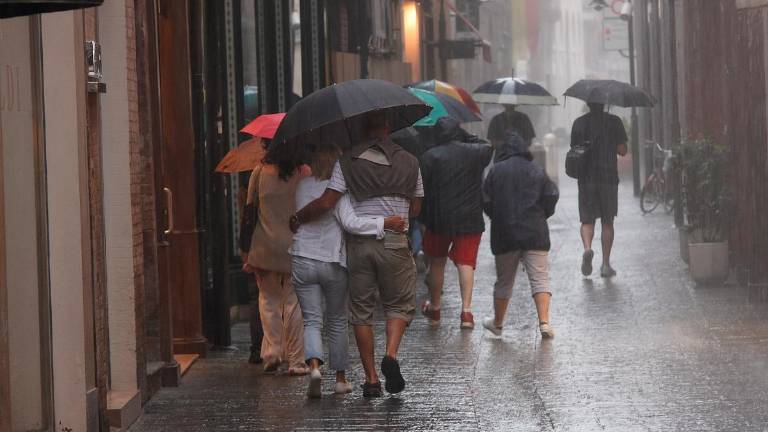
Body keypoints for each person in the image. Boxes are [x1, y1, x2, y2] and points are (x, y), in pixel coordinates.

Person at [290, 114, 423, 398]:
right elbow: (416, 208)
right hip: (394, 241)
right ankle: (390, 354)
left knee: (360, 313)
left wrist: (298, 218)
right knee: (398, 304)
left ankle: (372, 379)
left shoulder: (346, 162)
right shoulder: (411, 162)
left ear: (364, 131)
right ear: (388, 128)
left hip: (358, 246)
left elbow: (328, 201)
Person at [481, 132, 559, 339]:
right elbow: (552, 195)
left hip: (505, 233)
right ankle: (544, 322)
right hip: (535, 232)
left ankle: (497, 323)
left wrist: (497, 216)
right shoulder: (537, 170)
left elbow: (486, 199)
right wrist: (542, 214)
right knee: (540, 278)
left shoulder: (496, 171)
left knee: (504, 281)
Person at [419, 117, 493, 329]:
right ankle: (466, 313)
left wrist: (422, 218)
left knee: (437, 263)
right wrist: (467, 136)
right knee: (466, 263)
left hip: (438, 217)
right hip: (469, 217)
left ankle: (434, 307)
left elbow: (421, 189)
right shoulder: (475, 153)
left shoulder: (429, 157)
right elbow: (488, 146)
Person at [243, 142, 309, 375]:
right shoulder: (304, 173)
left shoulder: (259, 172)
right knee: (294, 302)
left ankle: (272, 351)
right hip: (296, 245)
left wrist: (245, 250)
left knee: (268, 299)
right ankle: (297, 360)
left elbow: (249, 213)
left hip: (264, 246)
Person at [569, 103, 628, 277]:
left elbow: (574, 149)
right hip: (608, 178)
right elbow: (623, 150)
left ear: (587, 104)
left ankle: (587, 248)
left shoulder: (579, 123)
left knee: (587, 220)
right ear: (605, 104)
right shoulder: (614, 121)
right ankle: (605, 265)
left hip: (586, 179)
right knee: (607, 222)